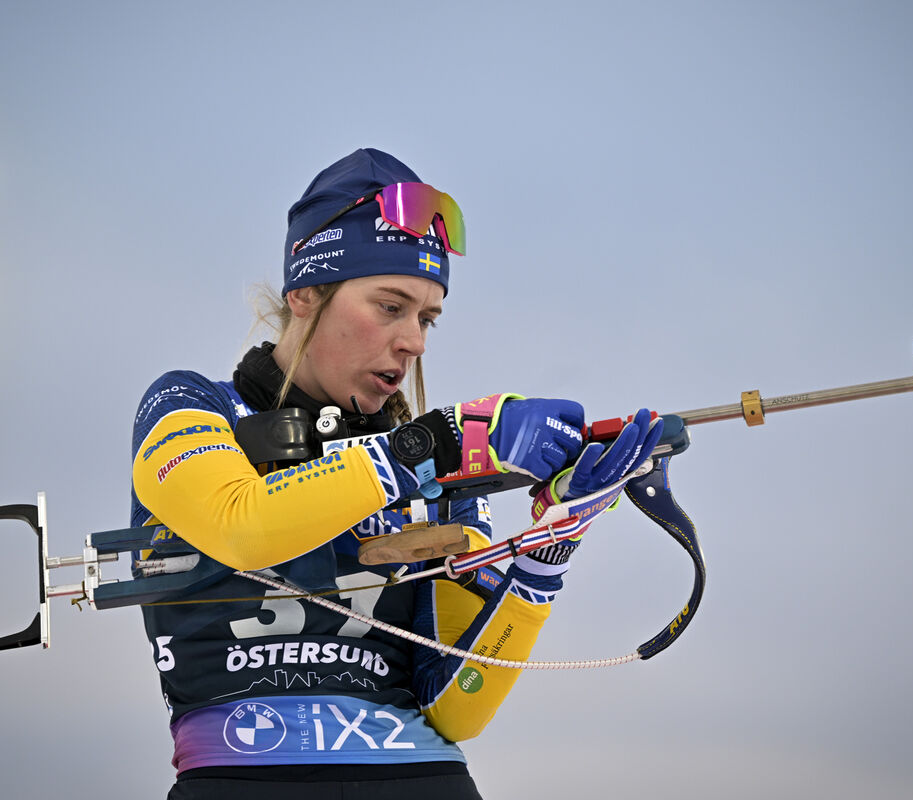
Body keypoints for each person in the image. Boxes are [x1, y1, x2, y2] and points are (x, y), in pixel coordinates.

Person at [128, 148, 664, 799]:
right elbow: (238, 524)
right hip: (244, 770)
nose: (415, 342)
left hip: (423, 778)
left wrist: (550, 547)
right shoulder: (191, 404)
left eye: (427, 317)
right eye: (390, 307)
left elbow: (457, 709)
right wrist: (426, 448)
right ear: (305, 294)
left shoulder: (441, 462)